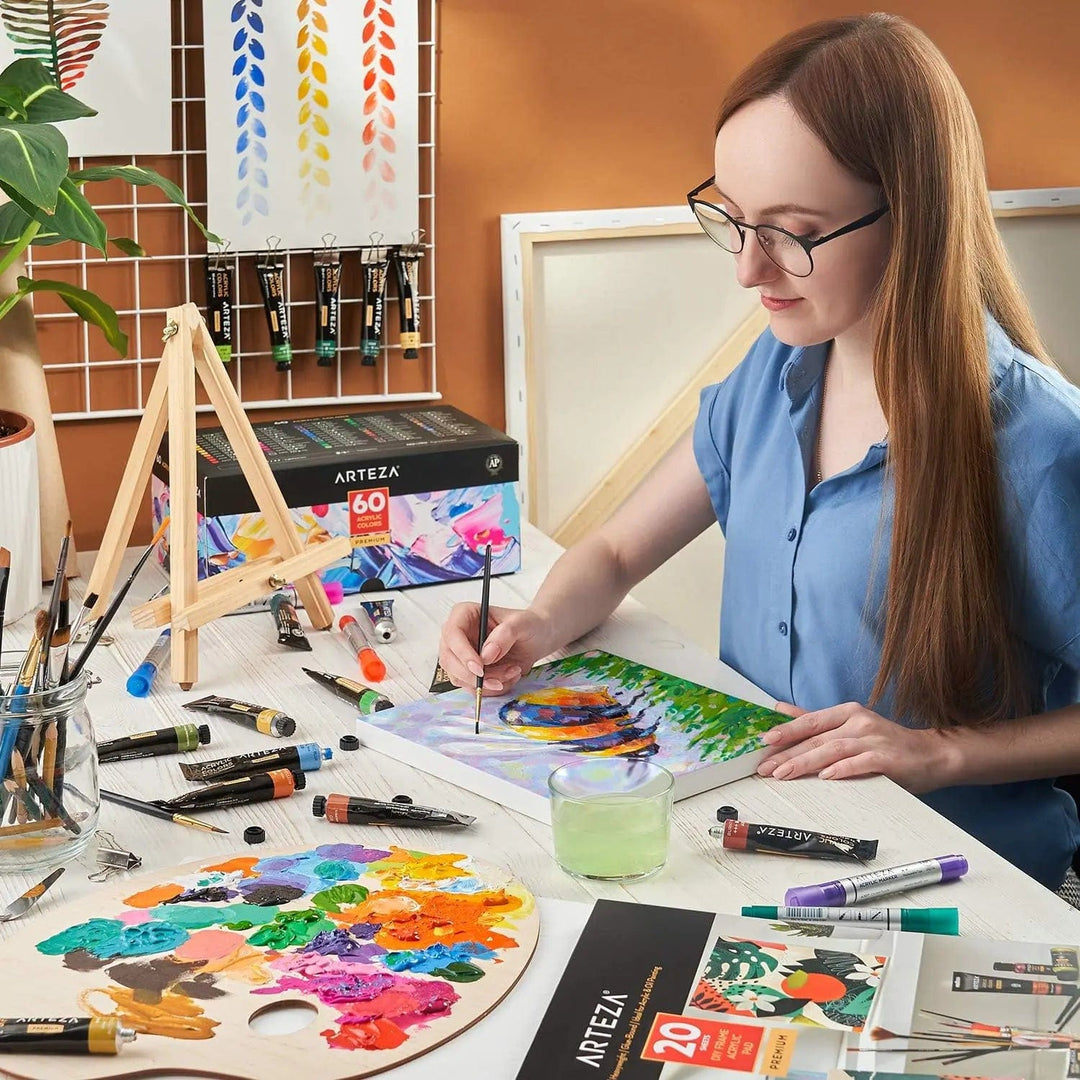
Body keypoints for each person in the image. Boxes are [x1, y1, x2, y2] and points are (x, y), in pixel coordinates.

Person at [438, 13, 1080, 892]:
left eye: (792, 231)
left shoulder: (1040, 446)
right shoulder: (774, 369)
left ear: (913, 216)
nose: (747, 269)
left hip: (956, 885)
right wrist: (535, 626)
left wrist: (939, 751)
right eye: (732, 220)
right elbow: (620, 551)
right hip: (762, 847)